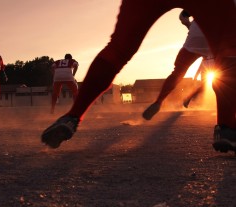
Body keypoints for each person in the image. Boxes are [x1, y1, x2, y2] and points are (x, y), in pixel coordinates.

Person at [41, 0, 236, 153]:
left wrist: (187, 21)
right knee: (229, 55)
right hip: (209, 26)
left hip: (191, 37)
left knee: (118, 50)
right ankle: (226, 126)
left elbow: (184, 16)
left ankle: (72, 117)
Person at [142, 10, 211, 120]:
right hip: (215, 40)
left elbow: (182, 16)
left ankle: (159, 101)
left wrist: (187, 23)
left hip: (194, 37)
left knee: (177, 72)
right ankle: (225, 124)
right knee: (220, 75)